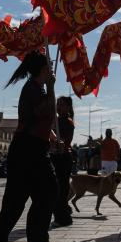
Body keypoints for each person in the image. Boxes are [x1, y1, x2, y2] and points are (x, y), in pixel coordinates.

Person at [0, 51, 63, 242]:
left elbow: (40, 119)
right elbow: (43, 111)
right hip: (28, 149)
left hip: (31, 147)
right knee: (44, 192)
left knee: (23, 197)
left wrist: (52, 137)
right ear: (43, 69)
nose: (52, 70)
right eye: (49, 66)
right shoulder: (33, 88)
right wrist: (52, 89)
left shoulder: (37, 88)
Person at [51, 96, 76, 228]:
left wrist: (58, 143)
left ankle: (62, 216)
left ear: (68, 107)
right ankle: (63, 210)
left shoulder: (68, 122)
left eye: (61, 104)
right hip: (54, 156)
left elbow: (65, 141)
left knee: (61, 188)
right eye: (57, 104)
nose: (58, 107)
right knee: (56, 187)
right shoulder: (55, 120)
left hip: (63, 157)